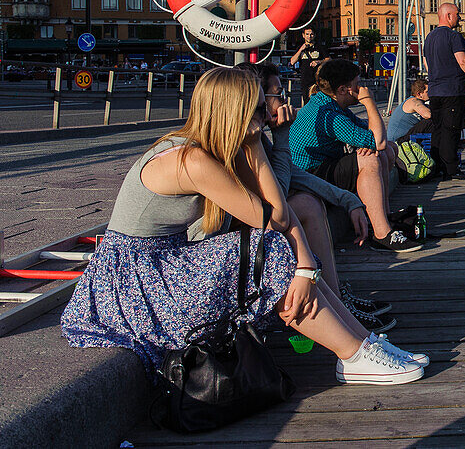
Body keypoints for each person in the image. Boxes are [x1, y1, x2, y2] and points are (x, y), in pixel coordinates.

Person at [61, 68, 426, 386]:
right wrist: (256, 144)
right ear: (235, 111)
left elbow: (280, 210)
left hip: (160, 265)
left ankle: (362, 344)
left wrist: (306, 266)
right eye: (258, 106)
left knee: (279, 249)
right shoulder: (192, 160)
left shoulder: (212, 149)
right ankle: (353, 355)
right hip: (134, 281)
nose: (268, 113)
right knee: (268, 253)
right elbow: (272, 217)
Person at [234, 62, 394, 330]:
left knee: (379, 154)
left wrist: (349, 200)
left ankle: (338, 299)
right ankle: (339, 302)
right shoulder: (248, 142)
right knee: (307, 204)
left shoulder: (260, 138)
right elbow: (279, 202)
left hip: (301, 182)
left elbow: (293, 176)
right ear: (256, 100)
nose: (284, 99)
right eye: (277, 94)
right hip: (240, 238)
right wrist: (282, 135)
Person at [289, 59, 418, 252]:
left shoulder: (331, 104)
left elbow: (377, 137)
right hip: (309, 177)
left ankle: (384, 216)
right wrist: (368, 102)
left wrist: (372, 144)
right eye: (357, 84)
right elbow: (378, 141)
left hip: (321, 168)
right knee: (370, 159)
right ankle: (381, 235)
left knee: (386, 151)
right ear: (343, 89)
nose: (361, 88)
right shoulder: (330, 116)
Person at [423, 3, 465, 180]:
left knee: (438, 129)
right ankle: (451, 170)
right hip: (452, 90)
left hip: (435, 90)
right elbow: (462, 61)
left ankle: (437, 166)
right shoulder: (453, 36)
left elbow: (427, 64)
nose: (460, 17)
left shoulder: (430, 37)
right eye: (457, 14)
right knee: (452, 130)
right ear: (448, 15)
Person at [387, 78, 434, 143]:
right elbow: (428, 115)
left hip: (404, 137)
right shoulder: (413, 101)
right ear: (419, 94)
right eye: (427, 92)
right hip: (397, 141)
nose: (430, 94)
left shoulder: (419, 103)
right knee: (429, 122)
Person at [290, 28, 328, 106]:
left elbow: (328, 59)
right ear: (303, 35)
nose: (309, 36)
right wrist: (301, 49)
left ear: (314, 35)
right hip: (305, 80)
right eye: (307, 34)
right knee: (307, 103)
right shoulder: (300, 48)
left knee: (319, 102)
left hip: (318, 79)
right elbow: (292, 61)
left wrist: (319, 62)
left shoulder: (319, 47)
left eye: (311, 34)